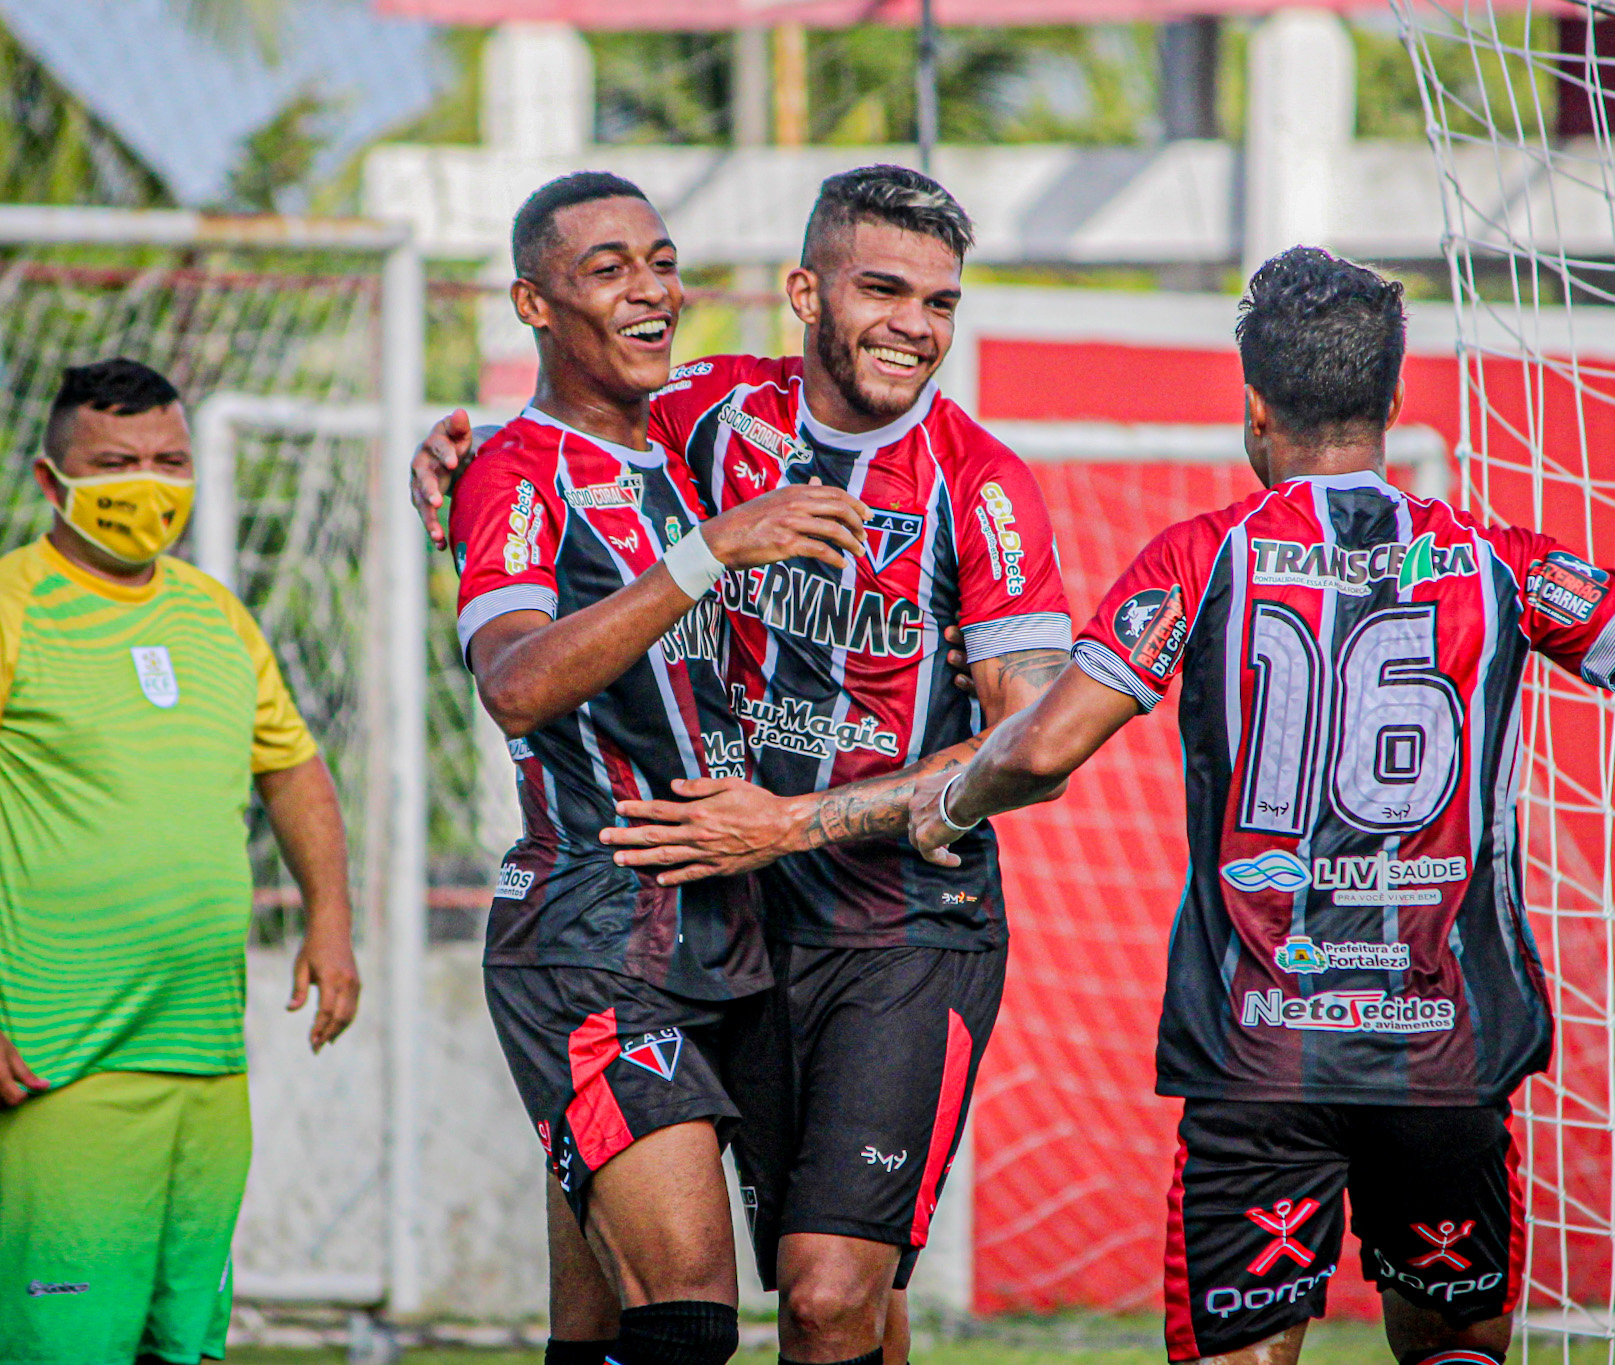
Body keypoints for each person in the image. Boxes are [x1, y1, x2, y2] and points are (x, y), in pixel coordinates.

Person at [904, 248, 1615, 1365]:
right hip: (1441, 1046)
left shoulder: (1200, 558)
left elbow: (1042, 751)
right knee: (1453, 1350)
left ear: (1251, 409)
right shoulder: (1497, 560)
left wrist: (940, 809)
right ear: (1388, 401)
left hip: (1260, 1053)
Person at [413, 165, 1071, 1365]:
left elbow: (1030, 747)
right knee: (628, 1298)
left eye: (939, 303)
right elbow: (562, 436)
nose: (912, 328)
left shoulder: (986, 489)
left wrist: (795, 824)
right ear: (803, 293)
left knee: (827, 1299)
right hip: (711, 911)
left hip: (900, 922)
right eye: (882, 291)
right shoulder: (705, 413)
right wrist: (462, 459)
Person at [446, 171, 872, 1365]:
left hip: (731, 925)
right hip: (593, 930)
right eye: (607, 270)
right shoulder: (516, 472)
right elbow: (514, 683)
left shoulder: (683, 449)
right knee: (687, 1315)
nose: (652, 292)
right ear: (533, 305)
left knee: (769, 1301)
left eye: (662, 261)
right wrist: (708, 553)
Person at [0, 357, 362, 1365]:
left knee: (188, 1341)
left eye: (169, 460)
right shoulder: (13, 607)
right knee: (62, 1344)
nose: (146, 486)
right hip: (57, 1058)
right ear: (48, 479)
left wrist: (330, 924)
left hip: (207, 1054)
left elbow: (293, 772)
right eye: (115, 463)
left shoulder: (217, 614)